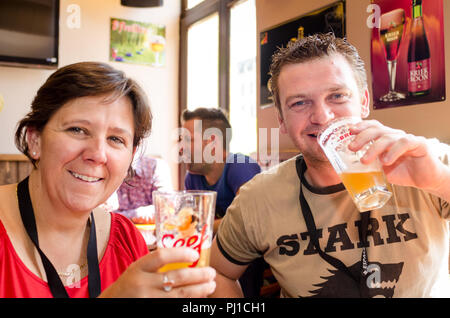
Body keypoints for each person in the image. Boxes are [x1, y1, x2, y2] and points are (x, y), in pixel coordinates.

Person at [209, 33, 450, 298]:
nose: (322, 116)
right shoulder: (257, 198)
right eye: (299, 103)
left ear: (364, 102)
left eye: (337, 96)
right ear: (281, 119)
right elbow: (216, 273)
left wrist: (438, 181)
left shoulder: (427, 160)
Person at [0, 61, 216, 298]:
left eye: (116, 139)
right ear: (35, 140)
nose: (97, 154)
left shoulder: (127, 240)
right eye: (77, 130)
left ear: (131, 157)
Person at [180, 107, 266, 297]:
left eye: (188, 140)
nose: (181, 148)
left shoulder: (240, 166)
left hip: (247, 258)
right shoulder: (192, 178)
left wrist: (199, 225)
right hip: (212, 252)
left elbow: (248, 221)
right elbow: (193, 224)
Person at [113, 155, 173, 224]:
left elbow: (165, 210)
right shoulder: (109, 170)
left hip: (151, 233)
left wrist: (123, 216)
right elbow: (104, 214)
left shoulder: (156, 166)